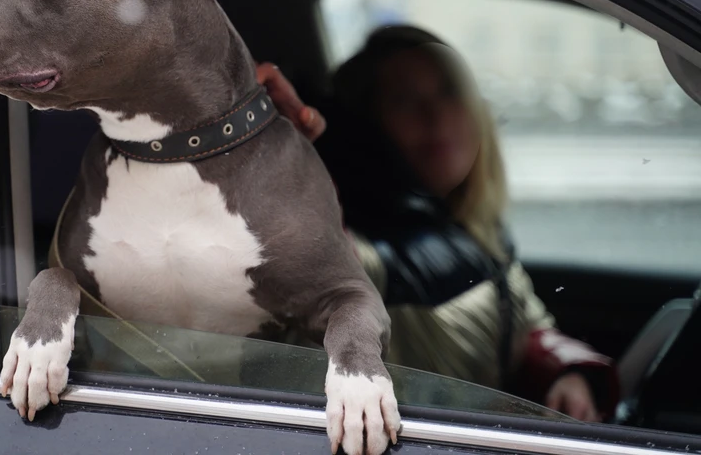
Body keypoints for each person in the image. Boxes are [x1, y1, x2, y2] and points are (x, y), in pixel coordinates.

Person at [257, 25, 618, 421]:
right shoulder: (356, 246)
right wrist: (293, 160)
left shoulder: (473, 227)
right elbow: (318, 251)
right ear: (364, 127)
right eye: (404, 100)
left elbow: (523, 328)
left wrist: (567, 374)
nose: (436, 115)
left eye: (449, 92)